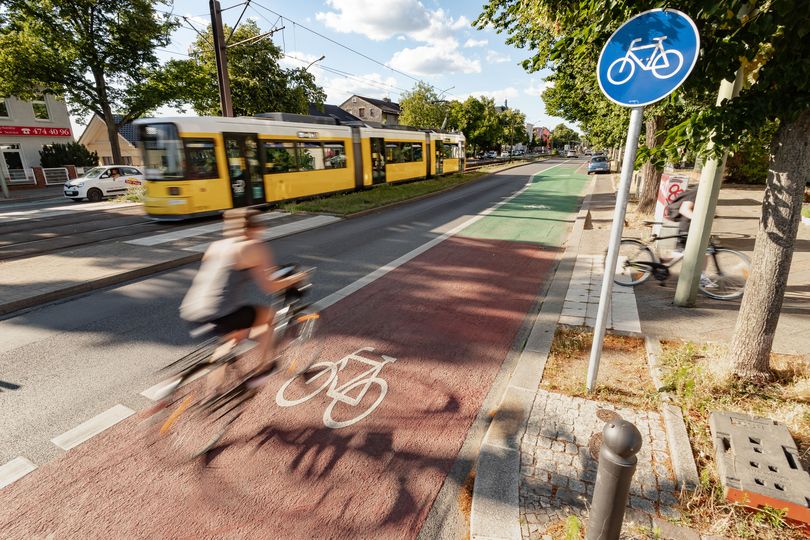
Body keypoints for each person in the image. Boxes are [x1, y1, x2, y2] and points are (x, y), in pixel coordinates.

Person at [179, 208, 304, 390]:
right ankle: (265, 368)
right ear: (256, 227)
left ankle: (211, 395)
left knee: (230, 338)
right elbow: (269, 286)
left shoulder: (216, 246)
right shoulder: (254, 246)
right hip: (221, 313)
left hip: (192, 311)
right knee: (268, 317)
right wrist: (295, 278)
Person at [665, 186, 698, 257]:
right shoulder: (697, 192)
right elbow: (684, 210)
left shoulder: (701, 191)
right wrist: (699, 221)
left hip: (689, 229)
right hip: (685, 229)